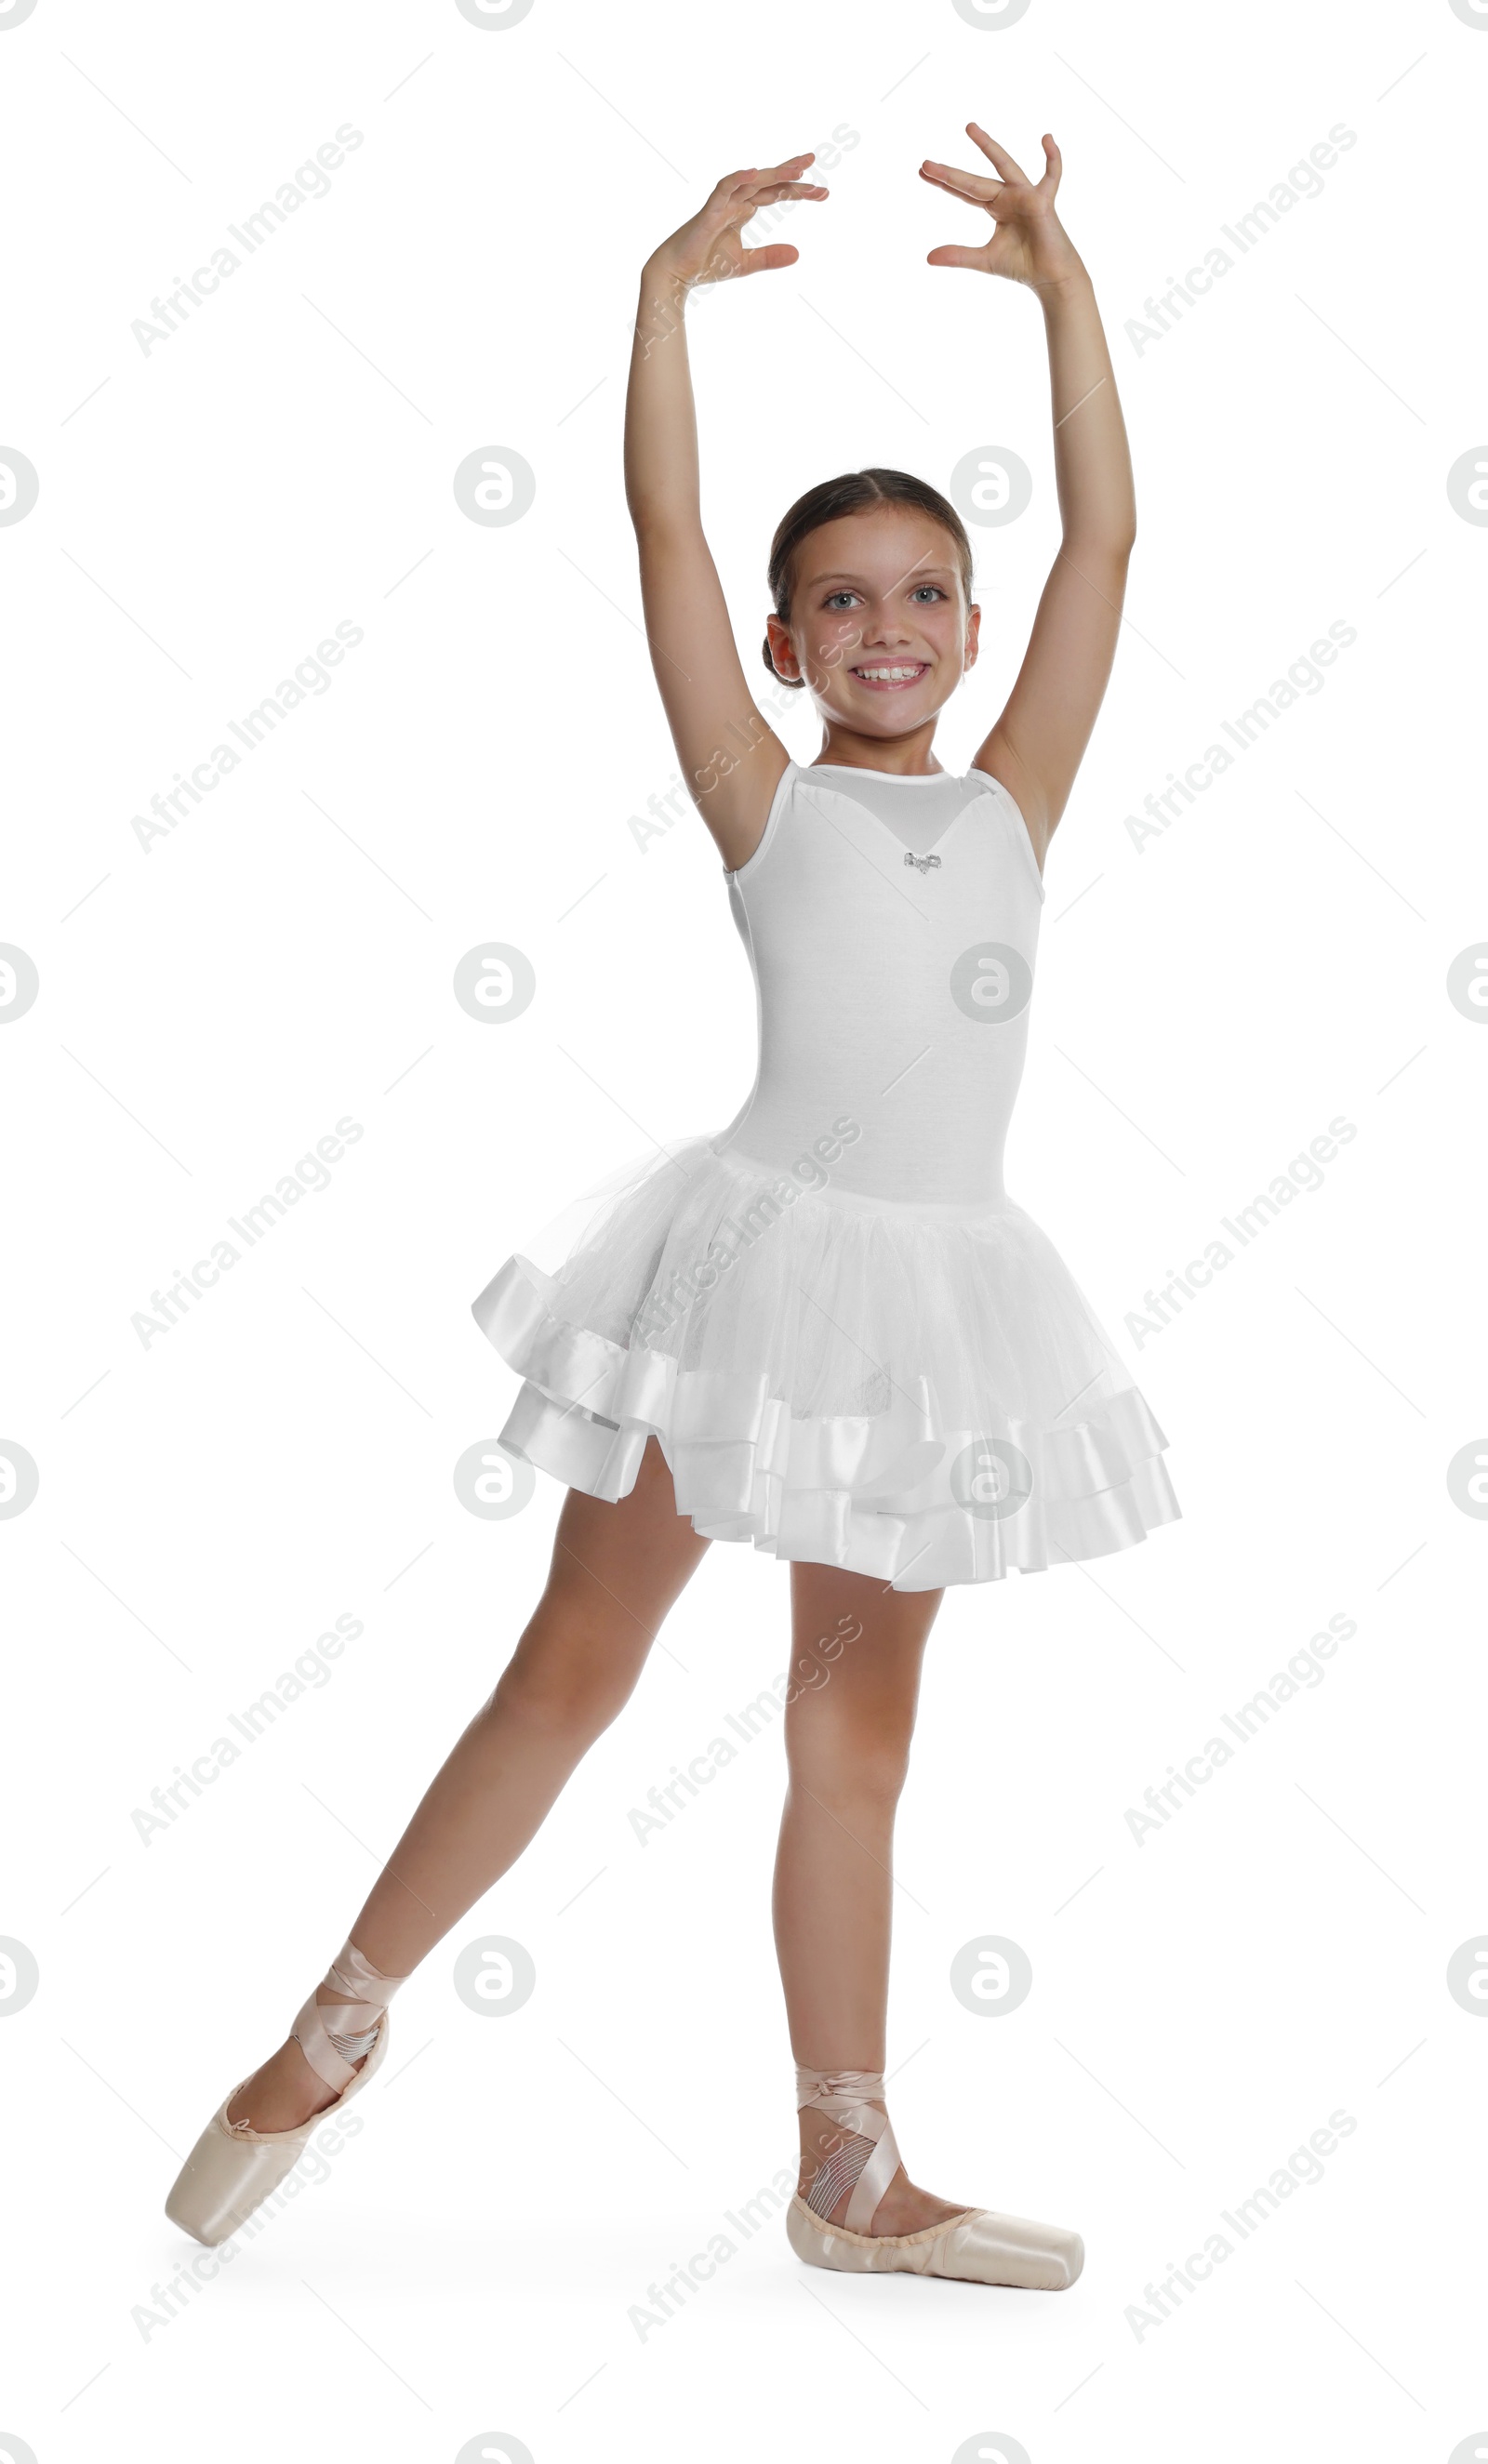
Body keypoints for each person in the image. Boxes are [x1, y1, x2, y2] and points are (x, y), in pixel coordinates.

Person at [166, 126, 1179, 2289]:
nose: (888, 624)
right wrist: (661, 300)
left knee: (853, 1726)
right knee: (574, 1661)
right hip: (735, 1276)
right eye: (843, 600)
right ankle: (316, 2037)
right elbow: (653, 525)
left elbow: (1111, 528)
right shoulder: (761, 794)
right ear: (787, 643)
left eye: (925, 592)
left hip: (937, 1305)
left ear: (970, 625)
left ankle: (844, 2165)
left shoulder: (1016, 796)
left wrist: (1062, 290)